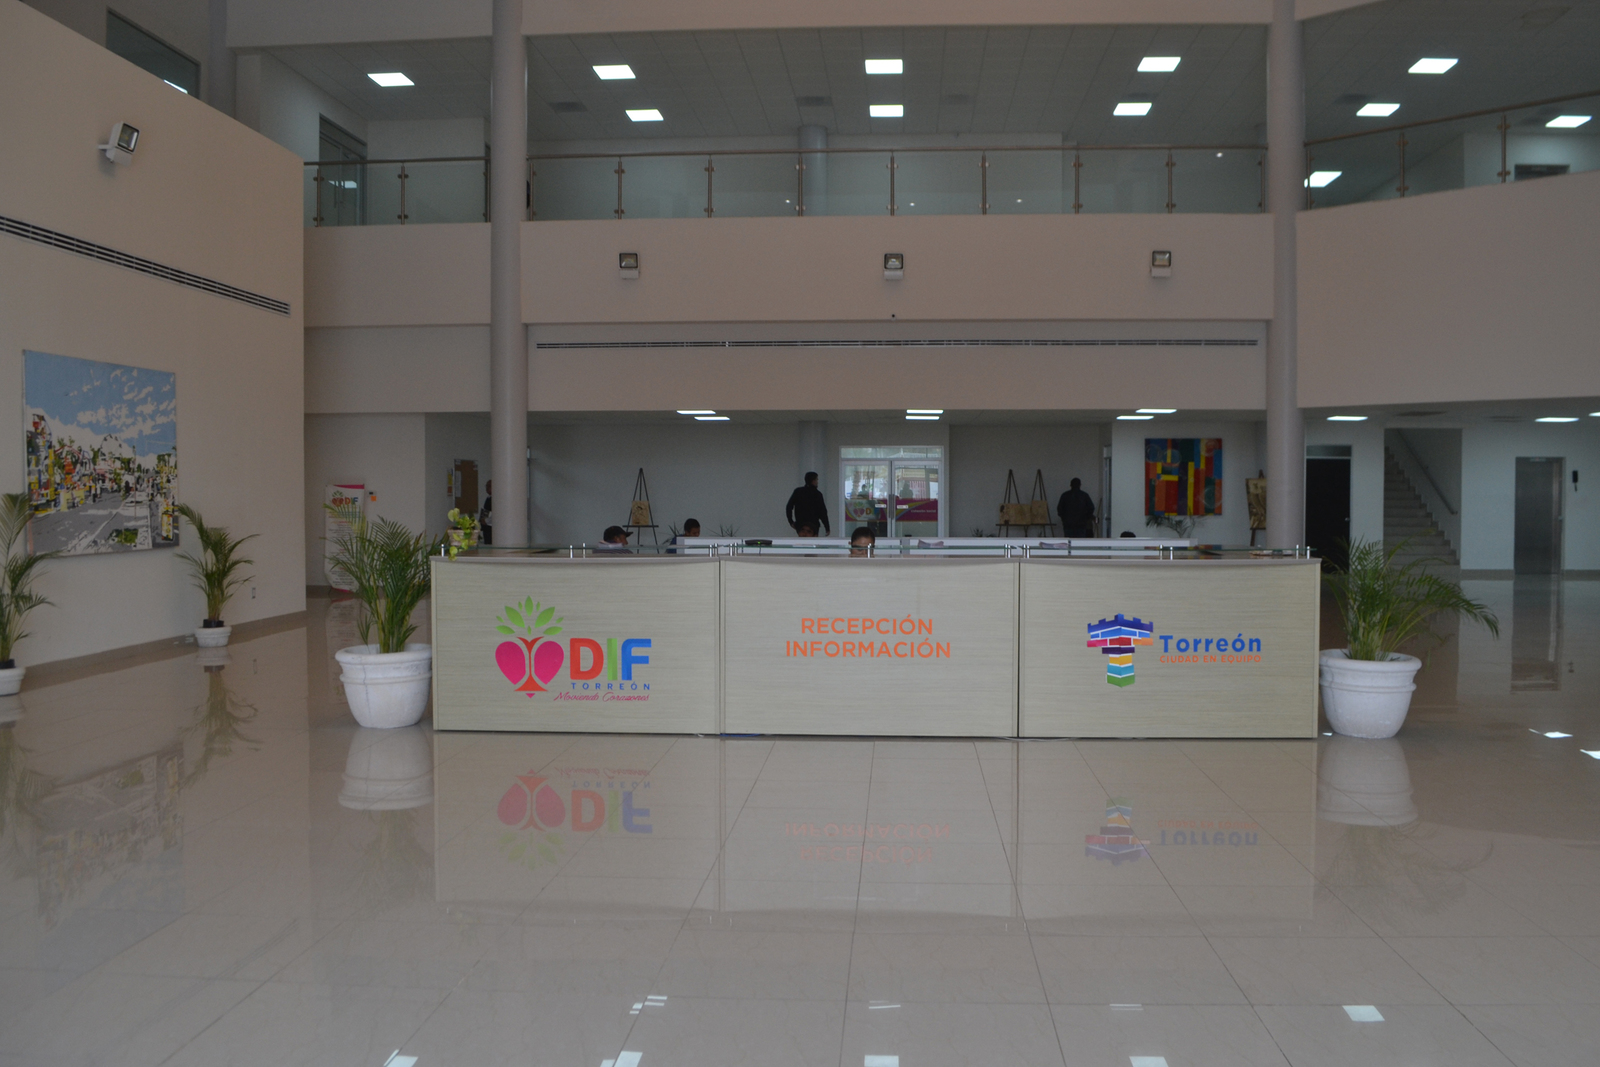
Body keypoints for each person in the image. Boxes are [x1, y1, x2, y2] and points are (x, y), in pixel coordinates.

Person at [478, 480, 493, 545]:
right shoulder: (488, 498)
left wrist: (486, 521)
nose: (487, 488)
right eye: (486, 486)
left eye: (489, 486)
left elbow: (496, 514)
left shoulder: (495, 499)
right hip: (486, 528)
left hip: (491, 528)